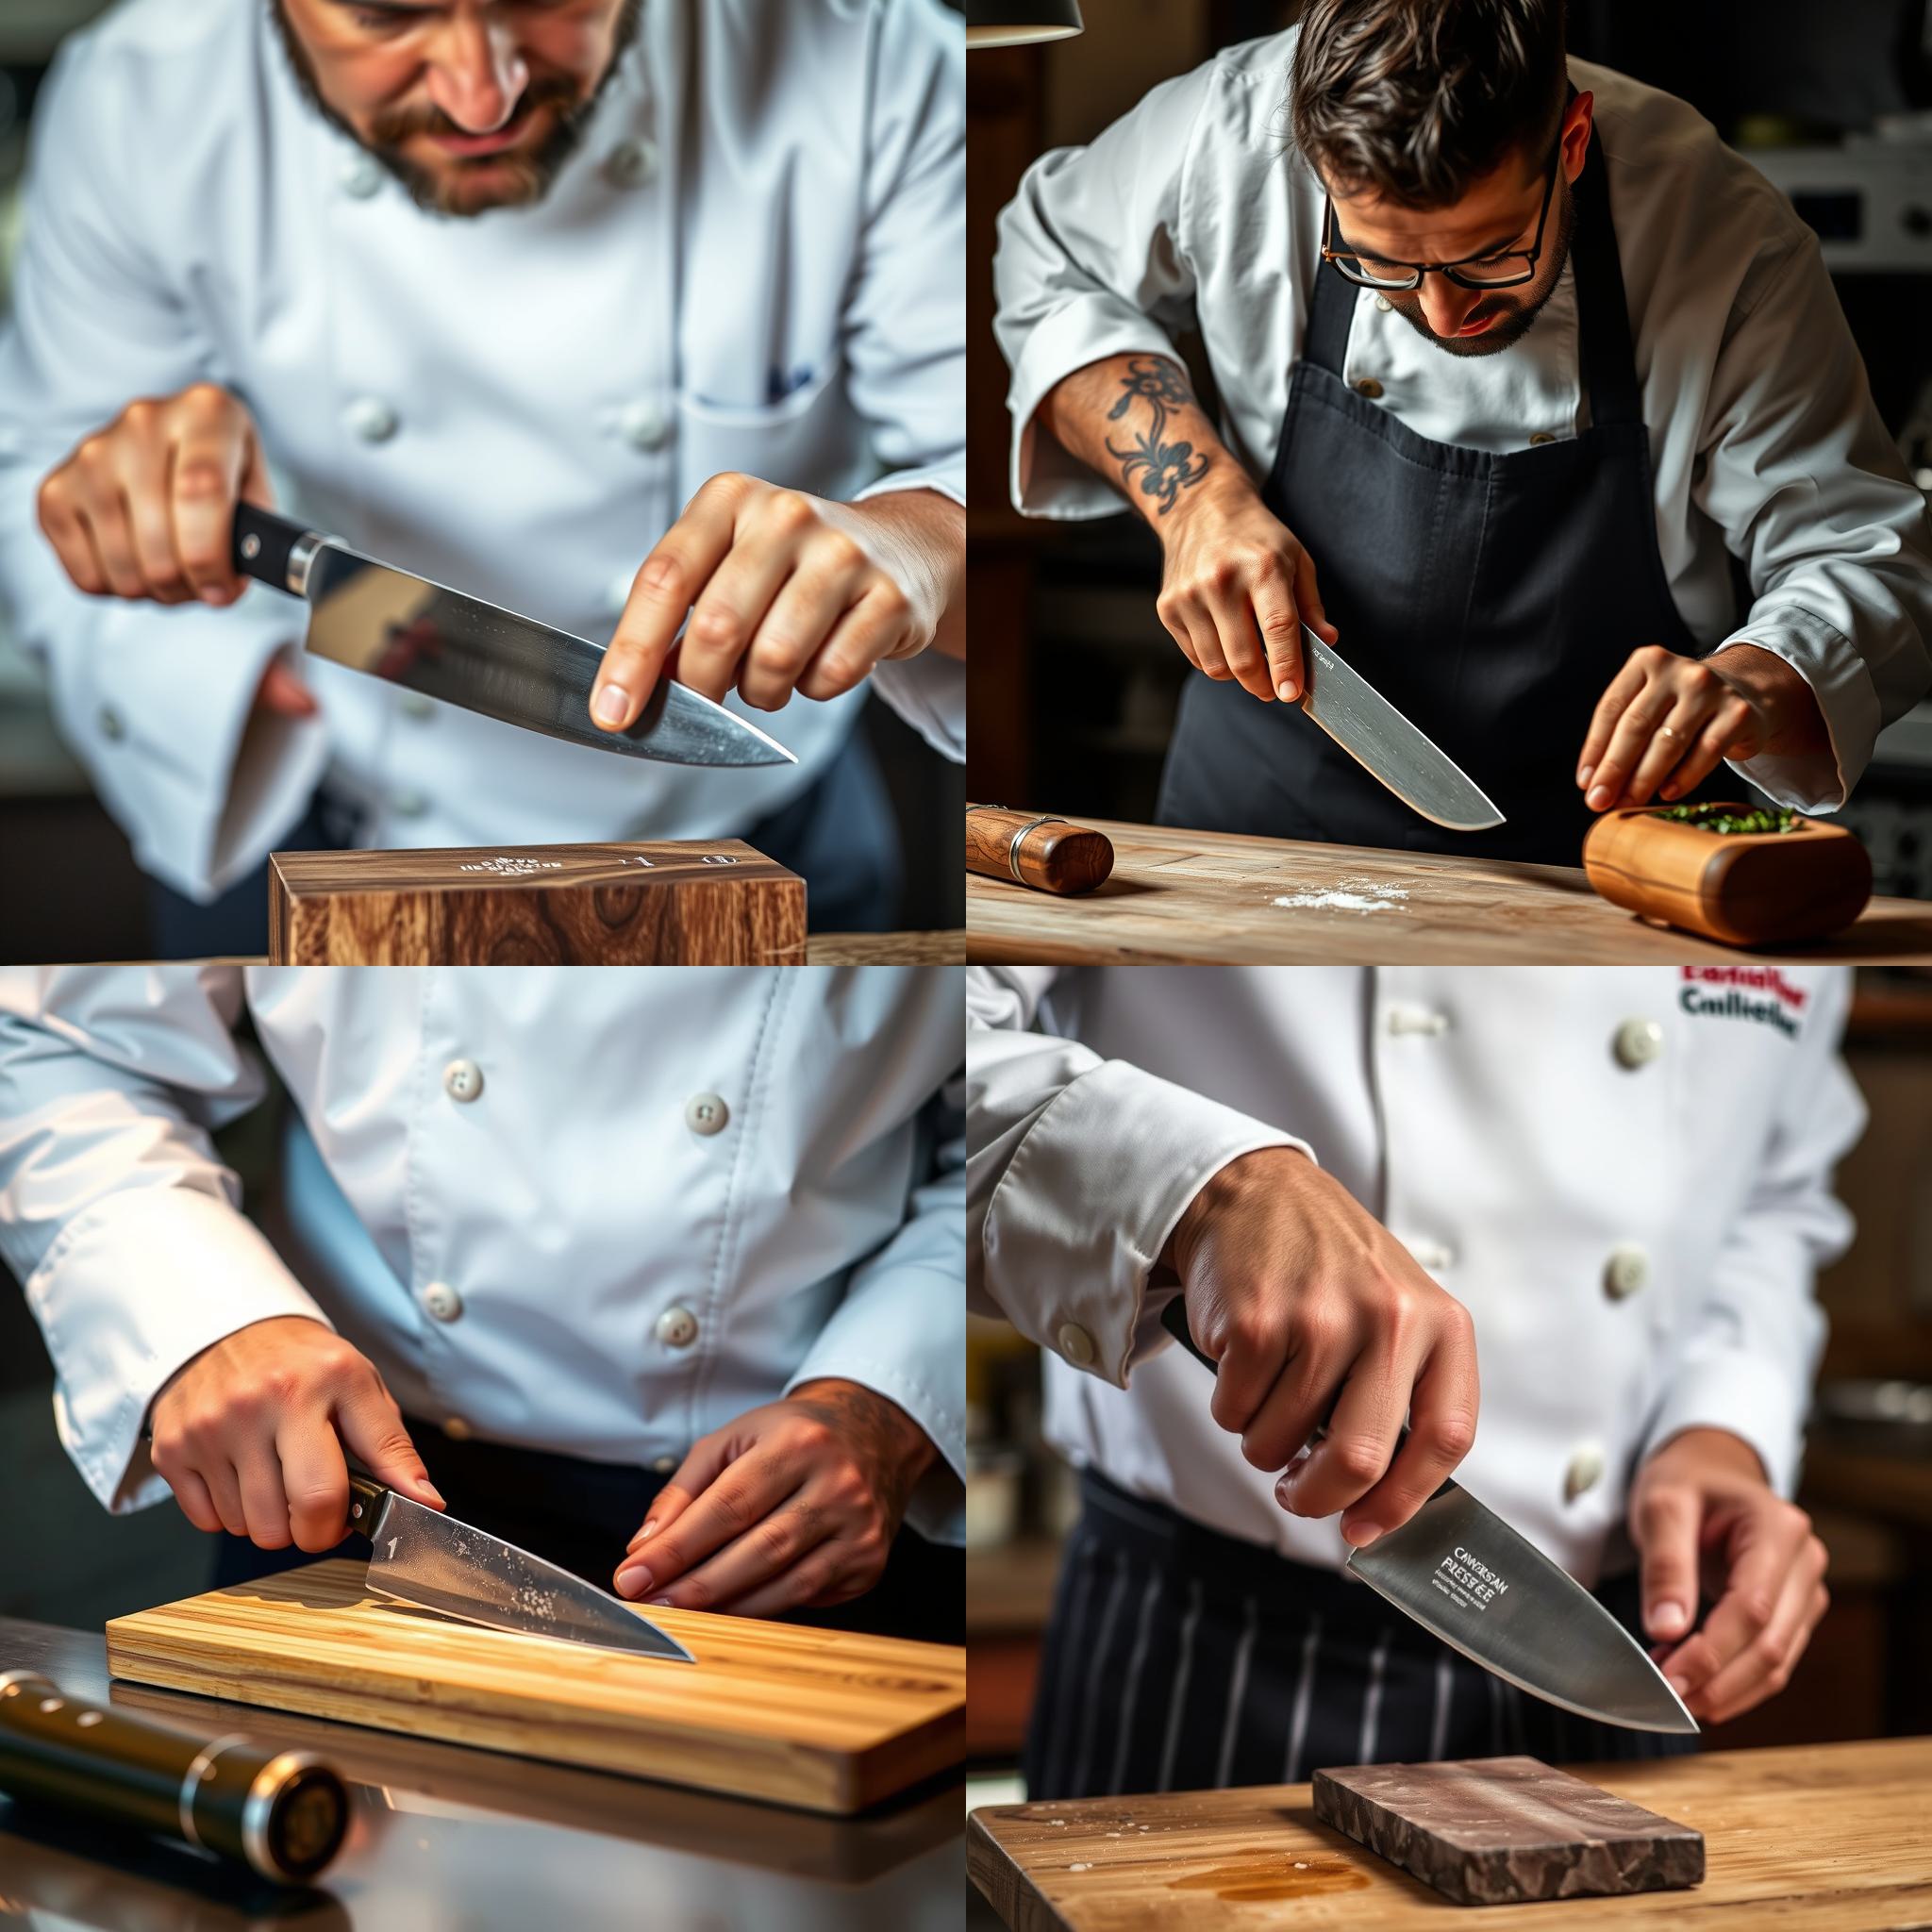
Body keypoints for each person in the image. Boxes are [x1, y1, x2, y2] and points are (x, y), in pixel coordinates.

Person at [0, 0, 965, 945]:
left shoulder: (876, 56)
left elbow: (996, 473)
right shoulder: (142, 94)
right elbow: (44, 468)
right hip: (332, 824)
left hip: (756, 828)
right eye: (386, 16)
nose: (479, 98)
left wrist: (923, 534)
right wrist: (194, 641)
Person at [991, 0, 1931, 863]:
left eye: (1491, 256)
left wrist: (1750, 682)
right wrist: (1195, 498)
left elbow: (1862, 552)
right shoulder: (1228, 128)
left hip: (1606, 844)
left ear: (1567, 143)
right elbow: (1049, 268)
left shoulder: (1718, 234)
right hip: (1267, 812)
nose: (1442, 312)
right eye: (1379, 264)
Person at [967, 964, 1857, 1790]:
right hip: (1217, 1657)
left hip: (1611, 1657)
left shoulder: (1779, 848)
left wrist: (1723, 1427)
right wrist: (1199, 1192)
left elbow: (1772, 1196)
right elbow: (943, 1045)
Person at [0, 965, 965, 1642]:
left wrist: (882, 1399)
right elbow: (60, 1044)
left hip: (805, 1531)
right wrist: (200, 1311)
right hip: (345, 1508)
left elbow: (1011, 1141)